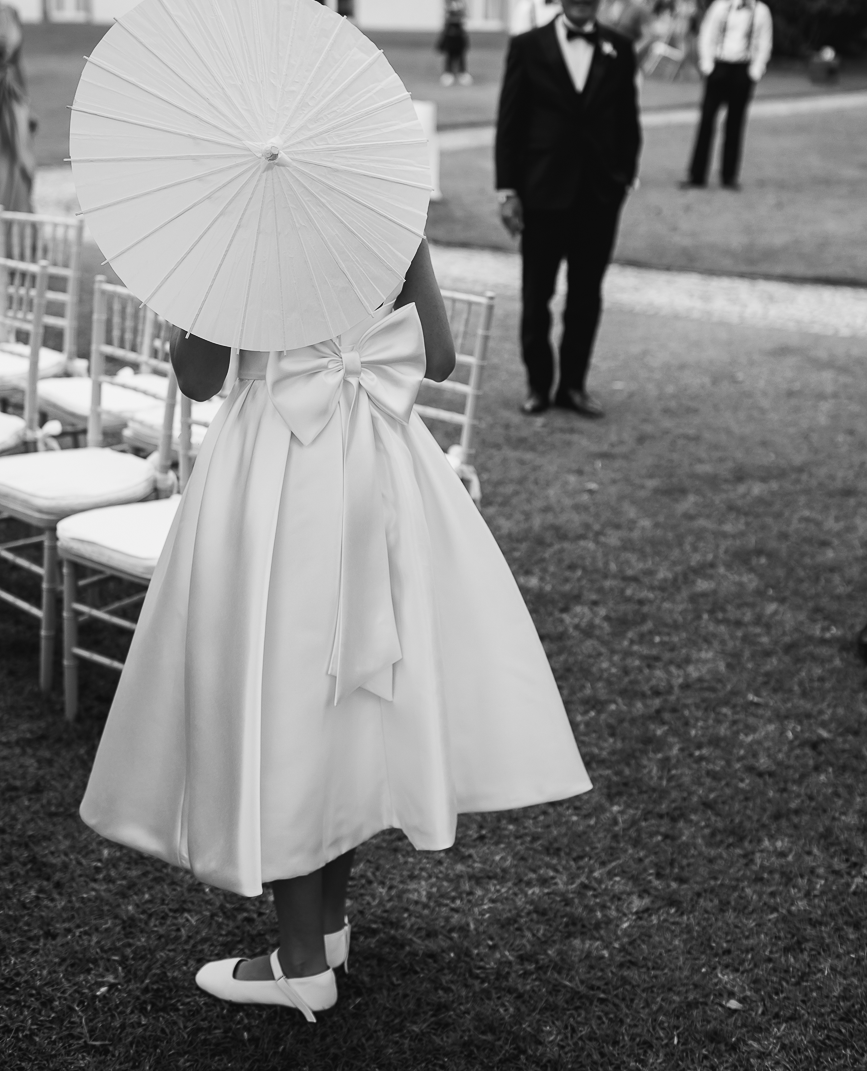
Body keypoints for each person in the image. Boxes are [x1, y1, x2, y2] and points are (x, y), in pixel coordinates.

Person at [79, 234, 591, 1018]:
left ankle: (302, 958)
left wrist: (181, 295)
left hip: (275, 471)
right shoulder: (382, 211)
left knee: (283, 697)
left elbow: (200, 375)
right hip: (379, 465)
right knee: (349, 698)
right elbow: (440, 355)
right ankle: (327, 924)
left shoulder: (241, 225)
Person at [495, 0, 642, 419]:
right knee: (536, 296)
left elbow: (627, 121)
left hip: (599, 197)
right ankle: (539, 386)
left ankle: (573, 386)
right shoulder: (527, 45)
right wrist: (507, 190)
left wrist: (622, 179)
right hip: (541, 193)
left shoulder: (619, 47)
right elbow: (510, 124)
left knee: (586, 296)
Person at [680, 0, 773, 190]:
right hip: (719, 66)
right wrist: (707, 65)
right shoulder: (719, 7)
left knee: (735, 123)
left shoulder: (761, 11)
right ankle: (697, 175)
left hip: (743, 69)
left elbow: (765, 42)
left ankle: (729, 176)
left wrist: (756, 71)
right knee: (706, 122)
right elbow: (706, 35)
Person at [0, 0, 36, 213]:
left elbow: (18, 62)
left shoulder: (10, 13)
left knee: (18, 160)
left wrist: (27, 105)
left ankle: (16, 229)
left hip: (11, 99)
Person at [598, 0, 652, 66]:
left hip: (627, 65)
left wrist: (630, 52)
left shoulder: (639, 8)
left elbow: (647, 37)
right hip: (602, 62)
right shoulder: (600, 6)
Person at [437, 0, 471, 85]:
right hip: (450, 33)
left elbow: (464, 15)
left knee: (461, 54)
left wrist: (456, 14)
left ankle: (462, 73)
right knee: (449, 54)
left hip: (459, 33)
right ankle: (448, 73)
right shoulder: (447, 3)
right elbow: (448, 17)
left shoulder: (461, 2)